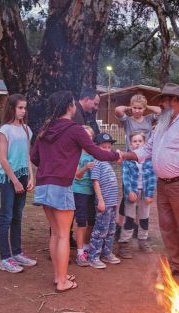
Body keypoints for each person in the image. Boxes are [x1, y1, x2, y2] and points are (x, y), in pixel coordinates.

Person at [30, 91, 120, 292]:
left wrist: (51, 163)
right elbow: (96, 151)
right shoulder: (75, 129)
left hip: (44, 184)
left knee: (56, 234)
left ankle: (58, 275)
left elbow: (35, 158)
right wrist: (117, 155)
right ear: (70, 106)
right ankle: (62, 282)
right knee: (62, 235)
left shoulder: (45, 129)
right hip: (61, 185)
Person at [123, 83, 179, 284]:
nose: (161, 104)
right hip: (162, 184)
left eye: (164, 100)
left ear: (176, 101)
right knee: (168, 227)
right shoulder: (162, 124)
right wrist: (125, 155)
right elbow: (147, 150)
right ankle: (177, 264)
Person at [0, 94, 37, 273]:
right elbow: (3, 159)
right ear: (12, 108)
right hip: (8, 178)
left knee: (17, 215)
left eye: (25, 107)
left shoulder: (27, 129)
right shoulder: (4, 130)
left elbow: (27, 155)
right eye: (20, 107)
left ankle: (17, 252)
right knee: (6, 216)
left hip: (22, 175)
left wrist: (31, 177)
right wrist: (14, 181)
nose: (23, 111)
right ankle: (5, 258)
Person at [114, 94, 161, 239]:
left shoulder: (148, 119)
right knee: (129, 195)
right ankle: (119, 226)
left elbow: (159, 111)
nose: (137, 110)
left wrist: (146, 107)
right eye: (135, 108)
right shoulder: (128, 121)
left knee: (144, 194)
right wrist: (130, 107)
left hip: (146, 159)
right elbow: (117, 110)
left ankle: (136, 228)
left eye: (140, 108)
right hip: (131, 159)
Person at [118, 131, 157, 259]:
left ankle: (143, 240)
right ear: (130, 144)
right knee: (129, 218)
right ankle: (124, 243)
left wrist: (149, 194)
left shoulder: (149, 159)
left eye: (140, 141)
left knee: (144, 217)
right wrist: (129, 191)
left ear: (144, 143)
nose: (137, 143)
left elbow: (152, 177)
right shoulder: (128, 160)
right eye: (135, 141)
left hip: (144, 192)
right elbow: (126, 177)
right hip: (132, 193)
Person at [88, 132, 122, 269]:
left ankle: (107, 253)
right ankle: (93, 256)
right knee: (100, 230)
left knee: (111, 229)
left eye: (109, 147)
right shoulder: (97, 162)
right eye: (104, 147)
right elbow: (95, 182)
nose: (107, 150)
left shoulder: (108, 162)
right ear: (97, 147)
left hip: (112, 203)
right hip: (104, 203)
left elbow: (119, 159)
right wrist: (100, 201)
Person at [73, 125, 97, 267]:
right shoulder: (76, 153)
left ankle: (86, 248)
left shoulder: (94, 153)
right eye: (84, 135)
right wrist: (86, 167)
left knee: (91, 222)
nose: (86, 139)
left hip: (91, 192)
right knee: (81, 223)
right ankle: (80, 253)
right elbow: (77, 175)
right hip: (79, 191)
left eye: (89, 136)